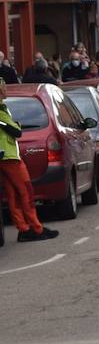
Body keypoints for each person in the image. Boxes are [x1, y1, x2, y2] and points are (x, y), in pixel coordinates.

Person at [0, 79, 58, 242]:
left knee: (14, 194)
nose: (5, 91)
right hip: (8, 156)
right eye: (3, 88)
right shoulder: (0, 110)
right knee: (26, 191)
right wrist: (15, 126)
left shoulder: (3, 109)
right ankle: (36, 228)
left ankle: (24, 228)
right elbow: (15, 130)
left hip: (6, 155)